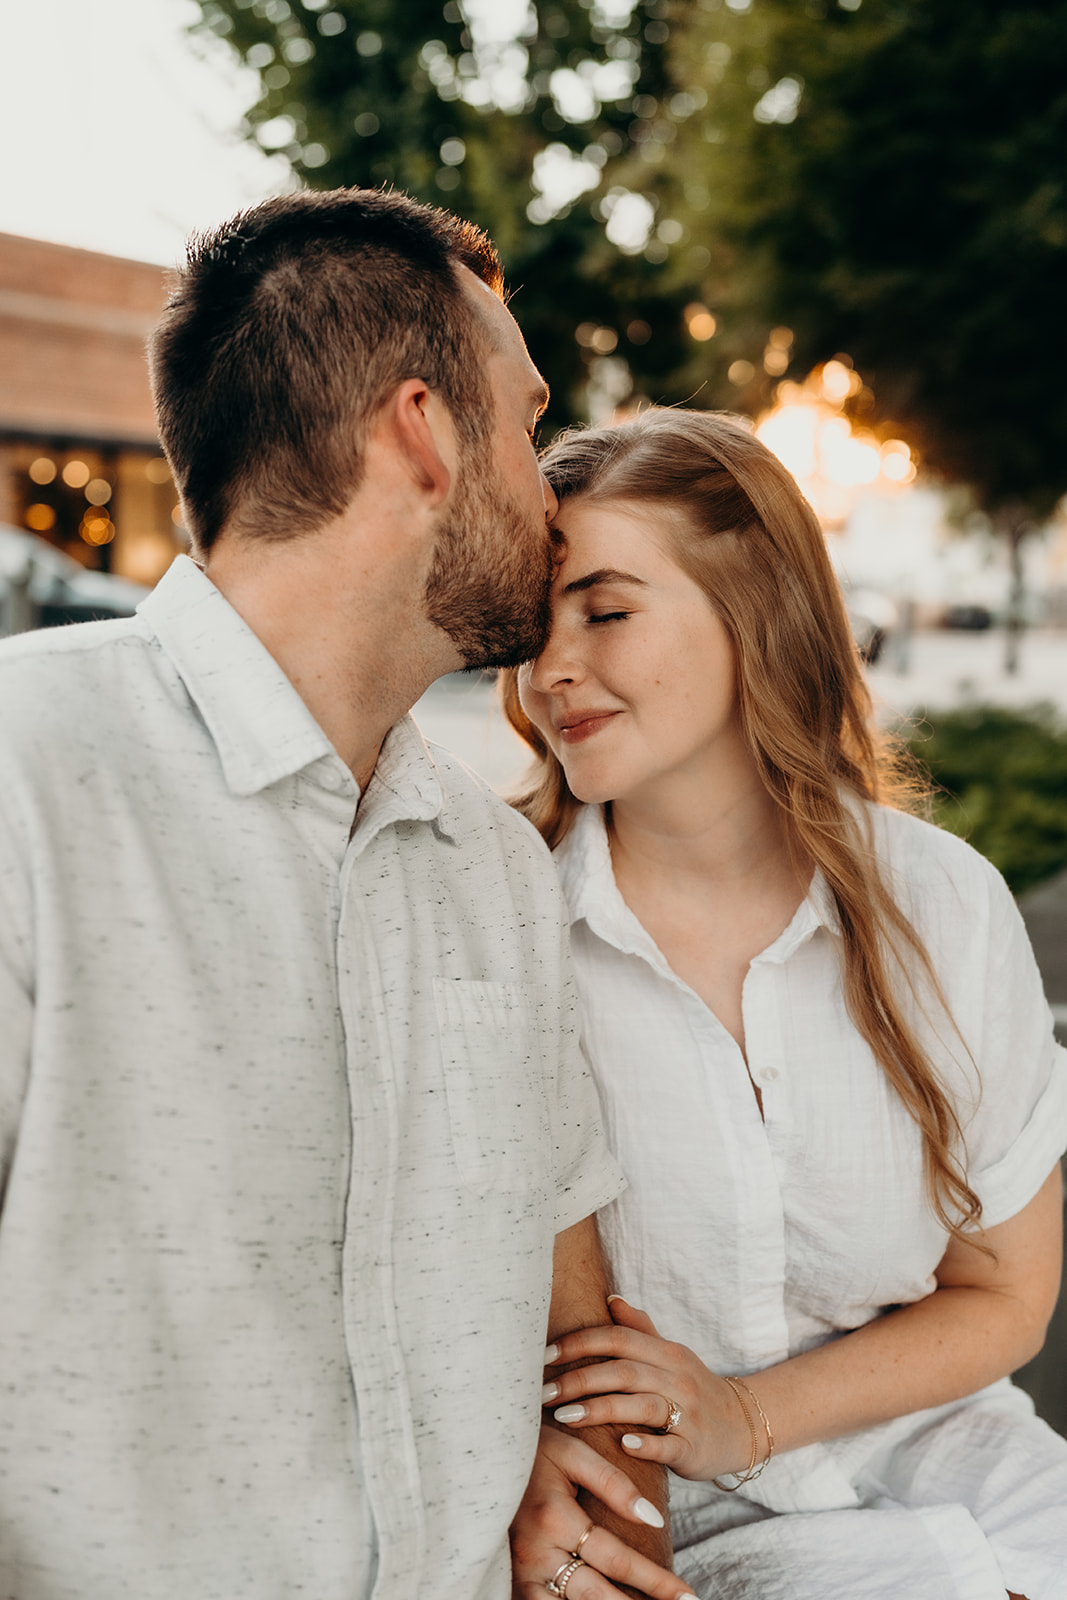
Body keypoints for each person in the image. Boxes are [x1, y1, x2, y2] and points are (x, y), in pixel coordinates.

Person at [0, 189, 685, 1600]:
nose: (552, 500)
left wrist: (551, 1457)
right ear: (423, 432)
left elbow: (564, 1275)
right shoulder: (25, 780)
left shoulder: (494, 867)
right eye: (524, 420)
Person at [503, 407, 1067, 1600]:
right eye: (528, 626)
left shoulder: (940, 906)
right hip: (682, 1535)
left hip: (974, 1482)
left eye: (604, 611)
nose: (549, 669)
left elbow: (1005, 1290)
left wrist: (749, 1412)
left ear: (757, 607)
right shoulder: (505, 937)